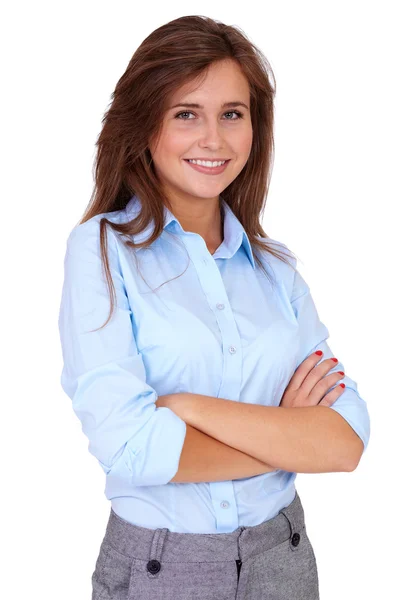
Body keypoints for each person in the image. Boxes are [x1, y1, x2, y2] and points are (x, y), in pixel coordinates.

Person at [57, 15, 370, 600]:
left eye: (232, 113)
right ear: (145, 123)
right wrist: (286, 436)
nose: (214, 139)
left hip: (284, 559)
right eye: (186, 114)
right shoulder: (101, 251)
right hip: (164, 569)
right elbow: (132, 447)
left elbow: (345, 441)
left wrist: (187, 408)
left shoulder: (276, 271)